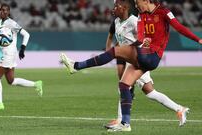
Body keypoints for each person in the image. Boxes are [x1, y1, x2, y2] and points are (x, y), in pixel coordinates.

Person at [60, 0, 202, 132]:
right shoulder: (141, 15)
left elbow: (179, 27)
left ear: (146, 0)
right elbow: (141, 37)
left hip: (152, 55)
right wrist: (134, 46)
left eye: (137, 2)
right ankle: (125, 124)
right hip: (144, 54)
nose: (136, 5)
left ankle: (76, 66)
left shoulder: (163, 12)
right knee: (124, 85)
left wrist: (198, 39)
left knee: (116, 51)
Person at [104, 0, 190, 130]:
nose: (115, 7)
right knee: (149, 92)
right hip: (133, 57)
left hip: (137, 58)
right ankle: (180, 109)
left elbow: (143, 38)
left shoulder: (134, 20)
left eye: (117, 4)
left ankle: (121, 121)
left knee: (124, 87)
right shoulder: (117, 22)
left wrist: (144, 51)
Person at [0, 3, 43, 110]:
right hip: (7, 54)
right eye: (1, 10)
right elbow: (1, 41)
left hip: (9, 54)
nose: (2, 12)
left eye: (5, 10)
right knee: (11, 81)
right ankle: (36, 84)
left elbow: (27, 34)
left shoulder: (11, 23)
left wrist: (22, 48)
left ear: (8, 12)